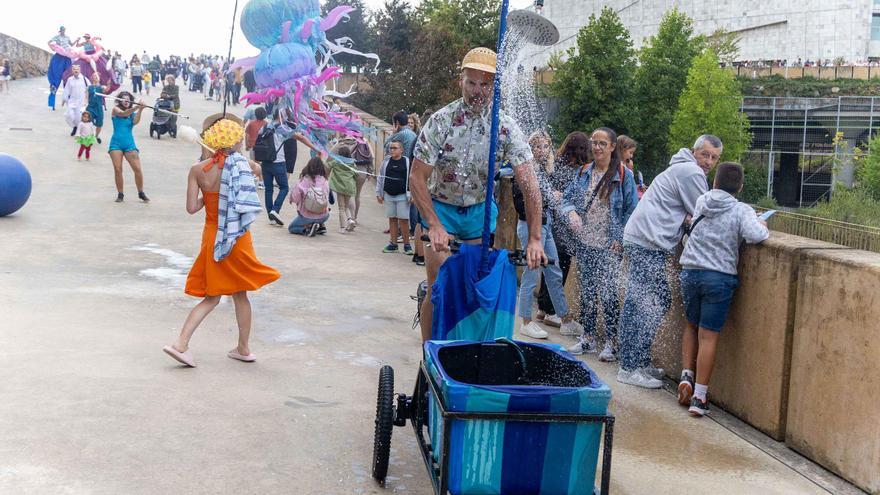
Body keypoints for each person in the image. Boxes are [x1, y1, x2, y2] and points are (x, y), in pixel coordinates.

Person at [410, 47, 546, 342]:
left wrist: (535, 238)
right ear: (461, 81)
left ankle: (464, 351)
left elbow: (530, 187)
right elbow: (417, 177)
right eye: (472, 83)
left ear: (493, 87)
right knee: (439, 286)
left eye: (485, 84)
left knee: (472, 286)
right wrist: (433, 224)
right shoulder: (441, 121)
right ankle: (430, 355)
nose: (477, 91)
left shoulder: (505, 127)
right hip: (441, 208)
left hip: (479, 213)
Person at [163, 117, 279, 367]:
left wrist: (210, 198)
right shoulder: (242, 165)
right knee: (241, 294)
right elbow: (258, 170)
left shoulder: (197, 170)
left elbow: (191, 208)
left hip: (213, 234)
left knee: (212, 297)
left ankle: (181, 344)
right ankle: (243, 348)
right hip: (237, 236)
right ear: (234, 141)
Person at [617, 134, 722, 388]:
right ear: (695, 152)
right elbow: (704, 212)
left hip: (644, 238)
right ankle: (629, 367)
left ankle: (638, 361)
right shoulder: (691, 173)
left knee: (655, 299)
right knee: (641, 302)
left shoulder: (681, 167)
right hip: (647, 241)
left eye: (714, 158)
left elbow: (690, 211)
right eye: (705, 155)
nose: (708, 162)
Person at [677, 162, 769, 416]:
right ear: (739, 186)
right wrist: (761, 223)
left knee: (691, 325)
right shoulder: (741, 210)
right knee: (709, 336)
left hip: (690, 271)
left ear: (714, 183)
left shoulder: (702, 202)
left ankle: (686, 375)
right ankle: (699, 396)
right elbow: (756, 236)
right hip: (718, 277)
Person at [560, 127, 638, 359]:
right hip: (585, 243)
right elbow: (566, 200)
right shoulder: (584, 172)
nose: (597, 147)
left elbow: (631, 212)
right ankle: (589, 338)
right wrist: (571, 212)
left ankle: (611, 342)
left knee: (609, 294)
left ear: (613, 147)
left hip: (609, 245)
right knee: (587, 292)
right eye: (594, 142)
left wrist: (620, 240)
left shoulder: (623, 175)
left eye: (602, 143)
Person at [514, 131, 583, 340]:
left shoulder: (545, 170)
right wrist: (546, 197)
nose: (541, 151)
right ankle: (526, 320)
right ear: (529, 148)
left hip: (546, 225)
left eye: (545, 146)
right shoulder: (525, 169)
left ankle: (565, 319)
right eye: (536, 146)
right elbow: (520, 203)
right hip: (531, 226)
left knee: (554, 271)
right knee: (531, 272)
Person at [535, 131, 591, 329]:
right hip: (564, 226)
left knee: (550, 265)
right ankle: (552, 311)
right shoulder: (577, 171)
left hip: (552, 222)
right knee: (560, 267)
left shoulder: (555, 164)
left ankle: (543, 309)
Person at [108, 91, 149, 203]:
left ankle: (141, 192)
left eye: (128, 99)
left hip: (129, 144)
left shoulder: (133, 113)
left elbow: (135, 122)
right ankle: (120, 194)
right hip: (116, 144)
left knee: (138, 169)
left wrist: (140, 109)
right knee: (118, 169)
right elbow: (123, 114)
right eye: (123, 99)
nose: (126, 101)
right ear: (119, 100)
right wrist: (136, 107)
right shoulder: (116, 109)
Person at [376, 139, 411, 252]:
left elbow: (411, 179)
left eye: (395, 148)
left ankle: (407, 245)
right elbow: (380, 177)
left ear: (401, 150)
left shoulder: (407, 162)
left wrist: (412, 194)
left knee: (404, 220)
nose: (392, 150)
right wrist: (379, 193)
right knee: (392, 219)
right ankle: (393, 244)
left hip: (402, 196)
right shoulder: (386, 161)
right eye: (391, 148)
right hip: (388, 195)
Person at [288, 157, 331, 236]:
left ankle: (307, 229)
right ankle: (320, 226)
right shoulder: (325, 180)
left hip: (307, 215)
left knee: (292, 228)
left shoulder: (305, 180)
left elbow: (295, 197)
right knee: (322, 209)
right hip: (324, 215)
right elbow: (327, 196)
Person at [328, 146, 359, 234]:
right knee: (346, 206)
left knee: (341, 207)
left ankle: (342, 227)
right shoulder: (353, 163)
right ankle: (350, 219)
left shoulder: (336, 162)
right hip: (349, 187)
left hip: (339, 187)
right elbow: (357, 175)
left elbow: (327, 165)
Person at [61, 64, 87, 137]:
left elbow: (89, 89)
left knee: (78, 117)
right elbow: (67, 90)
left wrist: (87, 101)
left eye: (77, 69)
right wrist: (63, 99)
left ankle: (76, 129)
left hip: (81, 102)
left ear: (80, 70)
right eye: (74, 69)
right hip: (72, 101)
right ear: (72, 71)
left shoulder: (84, 79)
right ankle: (74, 126)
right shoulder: (70, 79)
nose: (76, 70)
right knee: (68, 115)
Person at [85, 72, 105, 144]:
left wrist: (107, 87)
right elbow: (86, 97)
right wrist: (85, 105)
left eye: (97, 76)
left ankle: (97, 136)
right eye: (94, 76)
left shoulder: (102, 87)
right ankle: (91, 136)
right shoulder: (88, 87)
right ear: (92, 78)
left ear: (99, 78)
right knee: (89, 123)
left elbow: (106, 90)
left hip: (99, 108)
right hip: (90, 107)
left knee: (99, 124)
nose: (95, 77)